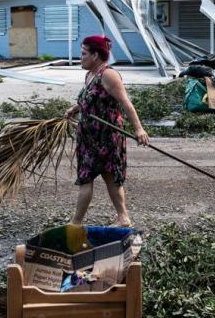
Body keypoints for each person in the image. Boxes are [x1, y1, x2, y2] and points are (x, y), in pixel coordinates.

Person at [64, 35, 150, 227]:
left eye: (84, 54)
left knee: (110, 176)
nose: (81, 58)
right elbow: (89, 99)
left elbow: (125, 103)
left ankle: (120, 218)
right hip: (88, 138)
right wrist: (75, 109)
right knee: (86, 177)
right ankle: (77, 222)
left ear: (95, 55)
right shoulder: (90, 75)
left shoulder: (108, 75)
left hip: (107, 138)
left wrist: (139, 129)